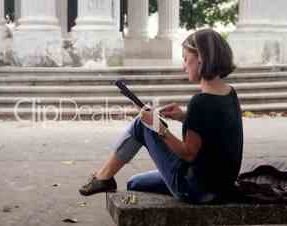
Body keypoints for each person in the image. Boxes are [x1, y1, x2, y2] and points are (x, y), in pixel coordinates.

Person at [79, 28, 244, 204]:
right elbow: (216, 129)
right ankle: (104, 177)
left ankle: (103, 177)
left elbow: (188, 154)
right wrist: (184, 117)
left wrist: (159, 127)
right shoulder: (229, 93)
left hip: (194, 189)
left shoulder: (200, 102)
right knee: (134, 183)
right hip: (222, 185)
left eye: (186, 59)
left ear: (201, 60)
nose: (183, 66)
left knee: (142, 124)